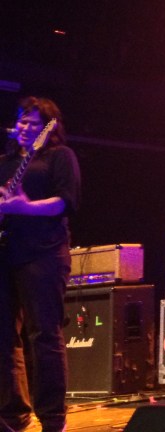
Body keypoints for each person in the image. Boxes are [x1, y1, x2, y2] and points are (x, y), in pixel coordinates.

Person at [0, 98, 80, 432]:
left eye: (34, 123)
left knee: (43, 335)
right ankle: (13, 415)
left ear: (49, 127)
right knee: (3, 338)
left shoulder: (59, 157)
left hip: (43, 254)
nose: (25, 127)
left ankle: (52, 419)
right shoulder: (4, 163)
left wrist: (25, 207)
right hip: (6, 255)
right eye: (21, 121)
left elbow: (65, 202)